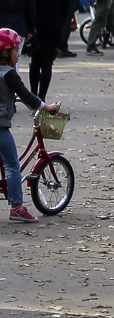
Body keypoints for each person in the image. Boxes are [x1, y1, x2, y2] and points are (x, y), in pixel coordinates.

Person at [0, 27, 60, 221]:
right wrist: (46, 107)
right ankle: (17, 207)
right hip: (0, 128)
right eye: (16, 51)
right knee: (11, 165)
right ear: (5, 52)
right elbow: (27, 96)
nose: (19, 54)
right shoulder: (9, 74)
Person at [29, 0, 72, 101]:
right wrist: (59, 21)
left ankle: (33, 95)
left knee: (35, 62)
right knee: (47, 62)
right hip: (53, 26)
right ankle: (42, 97)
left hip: (36, 26)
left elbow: (29, 3)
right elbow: (65, 7)